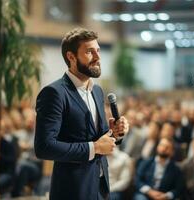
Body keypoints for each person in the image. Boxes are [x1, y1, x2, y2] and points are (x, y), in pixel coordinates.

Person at [34, 28, 129, 200]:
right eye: (89, 52)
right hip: (72, 189)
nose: (98, 57)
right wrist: (95, 148)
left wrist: (113, 134)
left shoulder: (97, 91)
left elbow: (98, 139)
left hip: (100, 186)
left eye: (98, 51)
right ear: (71, 57)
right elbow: (44, 147)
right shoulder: (54, 93)